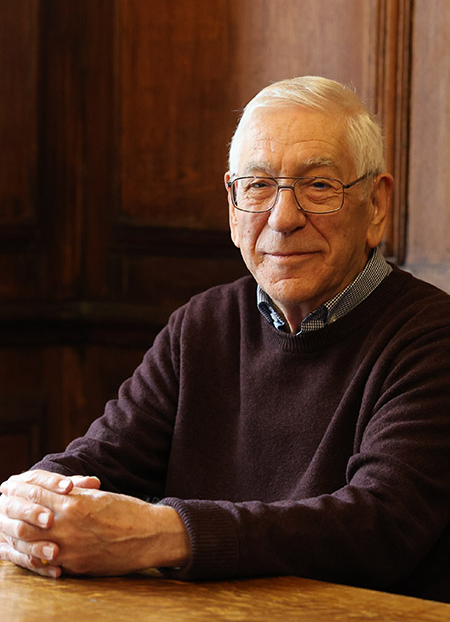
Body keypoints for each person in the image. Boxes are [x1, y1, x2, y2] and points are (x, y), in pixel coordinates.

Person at [1, 76, 450, 603]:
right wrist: (33, 501)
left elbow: (380, 526)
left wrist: (164, 534)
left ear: (375, 205)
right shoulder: (202, 323)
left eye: (319, 186)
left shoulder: (432, 337)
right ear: (233, 206)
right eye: (258, 186)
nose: (283, 218)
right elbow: (101, 460)